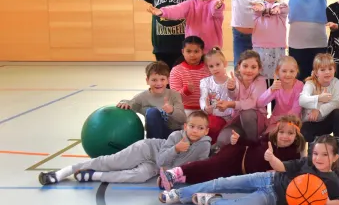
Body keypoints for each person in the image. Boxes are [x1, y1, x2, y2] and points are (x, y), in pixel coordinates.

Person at [159, 135, 339, 205]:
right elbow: (282, 167)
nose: (318, 158)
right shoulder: (306, 162)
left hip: (273, 197)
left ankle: (211, 202)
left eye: (324, 155)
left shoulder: (331, 180)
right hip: (268, 179)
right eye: (316, 153)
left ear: (335, 158)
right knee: (222, 183)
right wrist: (271, 158)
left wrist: (324, 203)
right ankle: (179, 194)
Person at [39, 110, 211, 184]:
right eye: (192, 126)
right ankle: (62, 173)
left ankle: (93, 176)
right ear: (185, 127)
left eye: (200, 128)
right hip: (148, 150)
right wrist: (176, 149)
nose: (195, 131)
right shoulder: (175, 137)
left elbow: (199, 166)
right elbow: (161, 159)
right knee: (112, 162)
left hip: (156, 167)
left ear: (206, 131)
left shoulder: (204, 146)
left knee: (139, 176)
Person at [158, 114, 305, 190]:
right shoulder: (269, 138)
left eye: (290, 134)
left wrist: (274, 171)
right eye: (282, 132)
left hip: (239, 171)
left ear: (297, 136)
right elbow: (253, 143)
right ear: (277, 131)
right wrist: (239, 140)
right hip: (237, 154)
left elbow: (288, 171)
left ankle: (179, 179)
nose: (285, 137)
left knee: (211, 177)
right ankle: (174, 173)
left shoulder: (294, 153)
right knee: (211, 165)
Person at [148, 0, 225, 53]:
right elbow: (177, 9)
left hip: (212, 50)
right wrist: (162, 11)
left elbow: (216, 10)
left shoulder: (215, 2)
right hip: (194, 49)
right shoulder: (190, 3)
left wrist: (218, 7)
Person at [117, 61, 186, 139]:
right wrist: (124, 103)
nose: (158, 83)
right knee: (152, 112)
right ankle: (155, 146)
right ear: (147, 80)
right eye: (154, 80)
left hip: (173, 134)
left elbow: (183, 119)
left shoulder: (174, 95)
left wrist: (172, 110)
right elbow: (129, 103)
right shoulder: (142, 97)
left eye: (162, 79)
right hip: (154, 138)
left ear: (168, 80)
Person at [214, 50, 269, 147]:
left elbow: (252, 103)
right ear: (239, 66)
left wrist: (230, 104)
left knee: (246, 113)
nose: (249, 70)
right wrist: (231, 88)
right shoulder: (236, 79)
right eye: (245, 66)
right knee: (223, 139)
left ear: (259, 69)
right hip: (237, 119)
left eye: (253, 67)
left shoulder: (260, 80)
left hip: (255, 121)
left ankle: (253, 146)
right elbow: (233, 96)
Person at [251, 0, 289, 86]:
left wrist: (269, 10)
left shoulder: (282, 6)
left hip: (277, 47)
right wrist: (263, 8)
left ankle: (274, 103)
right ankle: (261, 102)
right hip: (259, 47)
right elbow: (258, 8)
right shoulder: (257, 6)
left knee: (276, 79)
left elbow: (280, 9)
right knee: (260, 79)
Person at [299, 53, 339, 143]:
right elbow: (302, 100)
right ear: (316, 72)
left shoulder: (336, 83)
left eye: (330, 69)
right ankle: (314, 147)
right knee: (304, 131)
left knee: (338, 113)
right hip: (311, 121)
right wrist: (319, 98)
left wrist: (319, 109)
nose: (327, 72)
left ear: (334, 70)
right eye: (323, 70)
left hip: (326, 121)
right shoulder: (310, 83)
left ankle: (337, 145)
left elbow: (336, 102)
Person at [257, 55, 304, 135]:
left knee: (286, 134)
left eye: (292, 71)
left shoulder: (300, 86)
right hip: (276, 121)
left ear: (296, 72)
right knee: (268, 137)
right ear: (277, 72)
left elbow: (296, 110)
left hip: (293, 121)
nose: (288, 74)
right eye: (284, 71)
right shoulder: (277, 85)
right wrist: (271, 90)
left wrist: (281, 122)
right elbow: (260, 103)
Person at [198, 48, 236, 142]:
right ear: (207, 68)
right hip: (212, 116)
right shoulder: (205, 82)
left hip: (229, 118)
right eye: (211, 66)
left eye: (218, 64)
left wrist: (233, 88)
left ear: (225, 64)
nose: (215, 68)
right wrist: (205, 108)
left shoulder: (232, 82)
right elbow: (203, 97)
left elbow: (235, 99)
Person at [168, 36, 209, 114]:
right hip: (184, 110)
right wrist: (186, 91)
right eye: (188, 51)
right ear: (183, 51)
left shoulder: (209, 69)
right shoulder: (176, 71)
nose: (192, 55)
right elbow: (174, 97)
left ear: (202, 52)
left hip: (206, 109)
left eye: (196, 51)